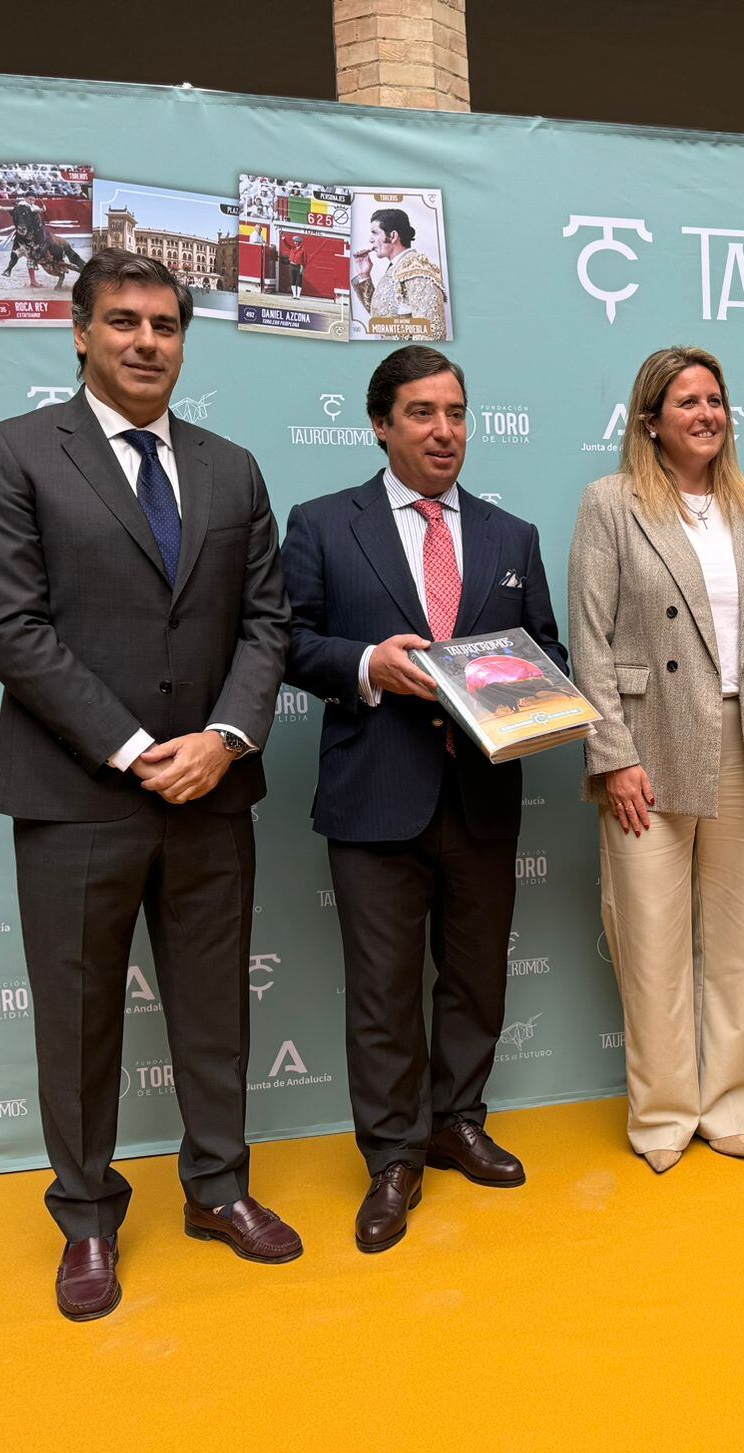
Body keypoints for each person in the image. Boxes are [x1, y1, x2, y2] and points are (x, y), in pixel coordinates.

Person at [0, 249, 295, 1323]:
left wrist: (227, 737)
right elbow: (9, 628)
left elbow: (265, 622)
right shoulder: (14, 453)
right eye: (124, 322)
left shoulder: (232, 468)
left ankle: (217, 1191)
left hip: (212, 794)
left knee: (212, 1016)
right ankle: (88, 1222)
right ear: (79, 332)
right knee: (77, 1022)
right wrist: (136, 746)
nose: (146, 342)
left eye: (164, 325)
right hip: (78, 798)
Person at [283, 345, 564, 1249]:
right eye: (421, 414)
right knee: (383, 990)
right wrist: (369, 665)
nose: (443, 431)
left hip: (483, 792)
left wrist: (536, 688)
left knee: (476, 977)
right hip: (376, 794)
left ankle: (457, 1120)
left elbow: (545, 649)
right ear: (380, 424)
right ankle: (394, 1156)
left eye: (455, 413)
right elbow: (288, 642)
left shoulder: (509, 534)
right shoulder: (326, 524)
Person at [569, 346, 744, 1173]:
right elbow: (590, 644)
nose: (707, 414)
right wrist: (613, 755)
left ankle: (729, 1104)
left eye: (716, 399)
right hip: (650, 746)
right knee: (652, 940)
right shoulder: (611, 504)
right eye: (687, 403)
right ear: (650, 421)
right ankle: (665, 1115)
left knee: (742, 945)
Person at [352, 207, 448, 340]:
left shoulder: (417, 269)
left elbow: (431, 331)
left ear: (392, 236)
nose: (370, 239)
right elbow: (381, 315)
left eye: (375, 233)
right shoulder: (398, 267)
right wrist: (364, 275)